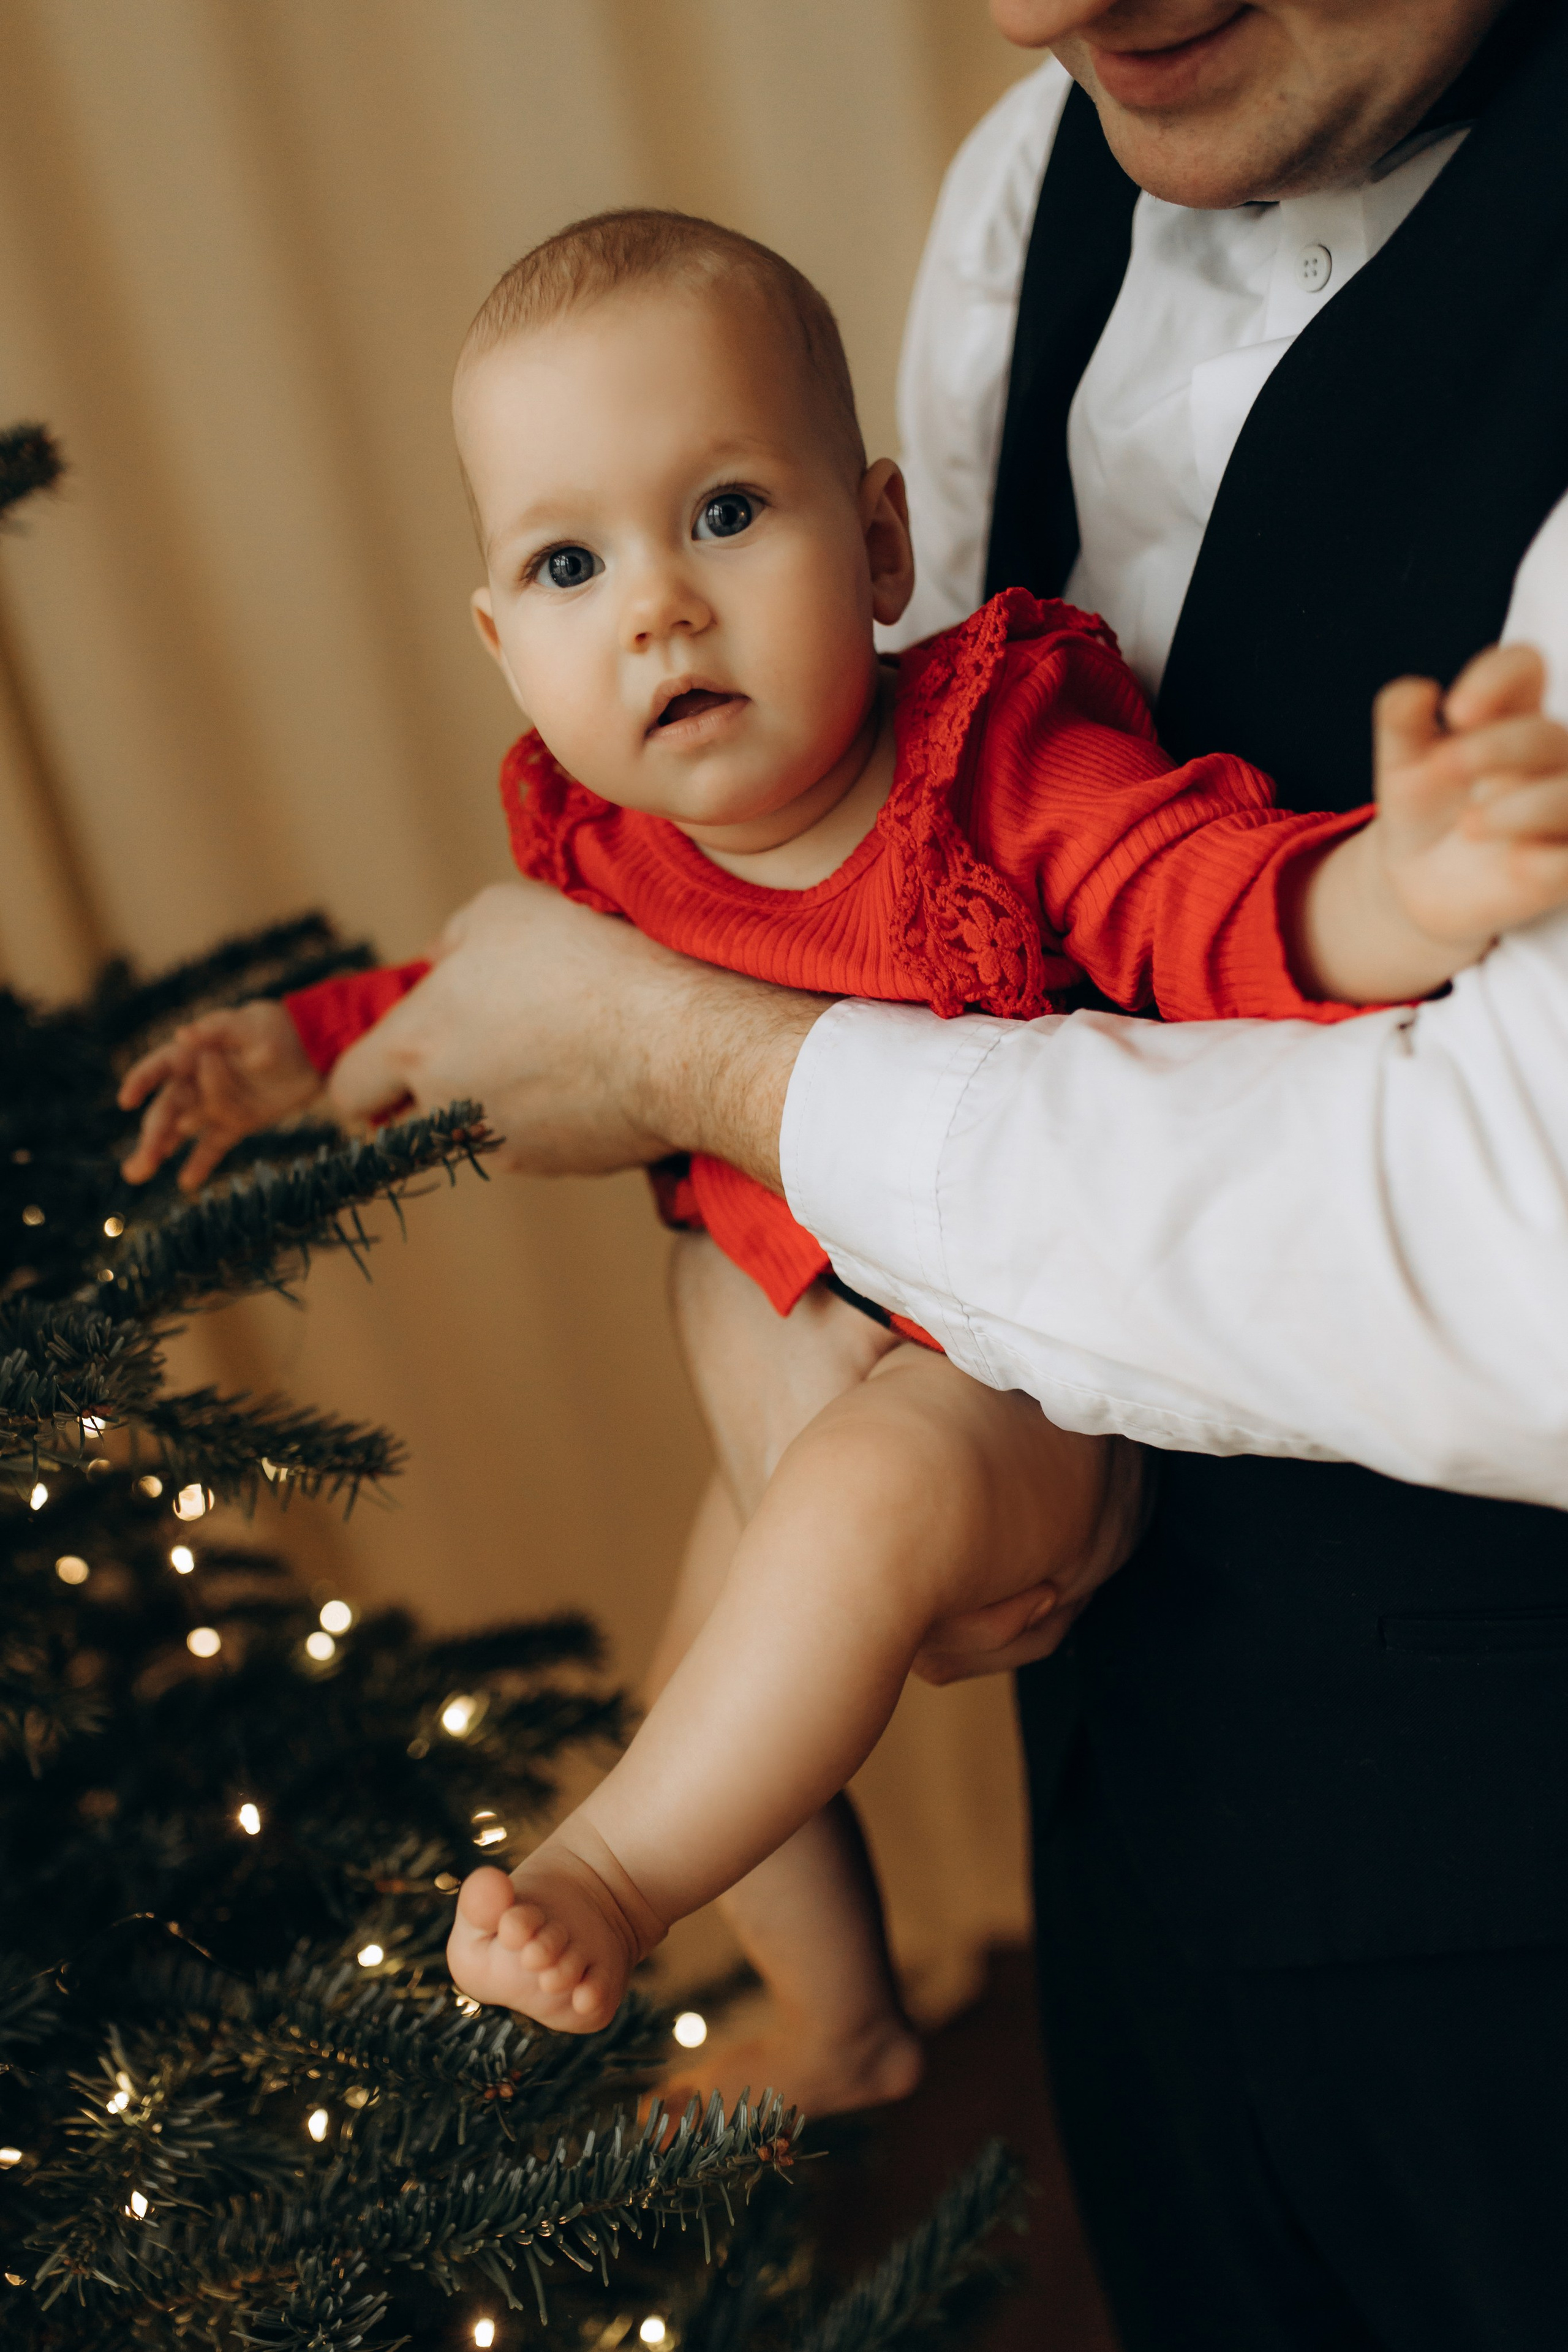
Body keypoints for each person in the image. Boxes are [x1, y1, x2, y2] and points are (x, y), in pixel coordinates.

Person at [117, 190, 1568, 2176]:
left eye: (726, 512)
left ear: (879, 538)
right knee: (721, 1649)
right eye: (568, 561)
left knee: (850, 1514)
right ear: (499, 638)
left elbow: (1193, 900)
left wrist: (1398, 887)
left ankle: (617, 1881)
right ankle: (842, 2017)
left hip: (1003, 1375)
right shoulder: (606, 850)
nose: (659, 606)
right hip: (801, 1400)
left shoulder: (988, 755)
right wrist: (299, 1045)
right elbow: (464, 1005)